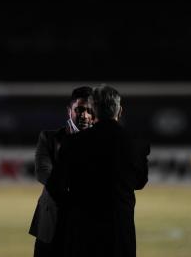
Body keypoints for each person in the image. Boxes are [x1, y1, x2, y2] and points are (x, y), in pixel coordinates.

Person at [46, 84, 149, 257]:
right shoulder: (136, 143)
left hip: (82, 230)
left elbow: (56, 187)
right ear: (120, 111)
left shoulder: (73, 143)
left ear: (94, 110)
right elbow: (140, 182)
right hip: (120, 229)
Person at [28, 86, 94, 257]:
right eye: (79, 109)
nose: (84, 115)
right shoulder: (49, 138)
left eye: (89, 110)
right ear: (69, 111)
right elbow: (43, 173)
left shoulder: (103, 143)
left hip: (87, 226)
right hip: (51, 225)